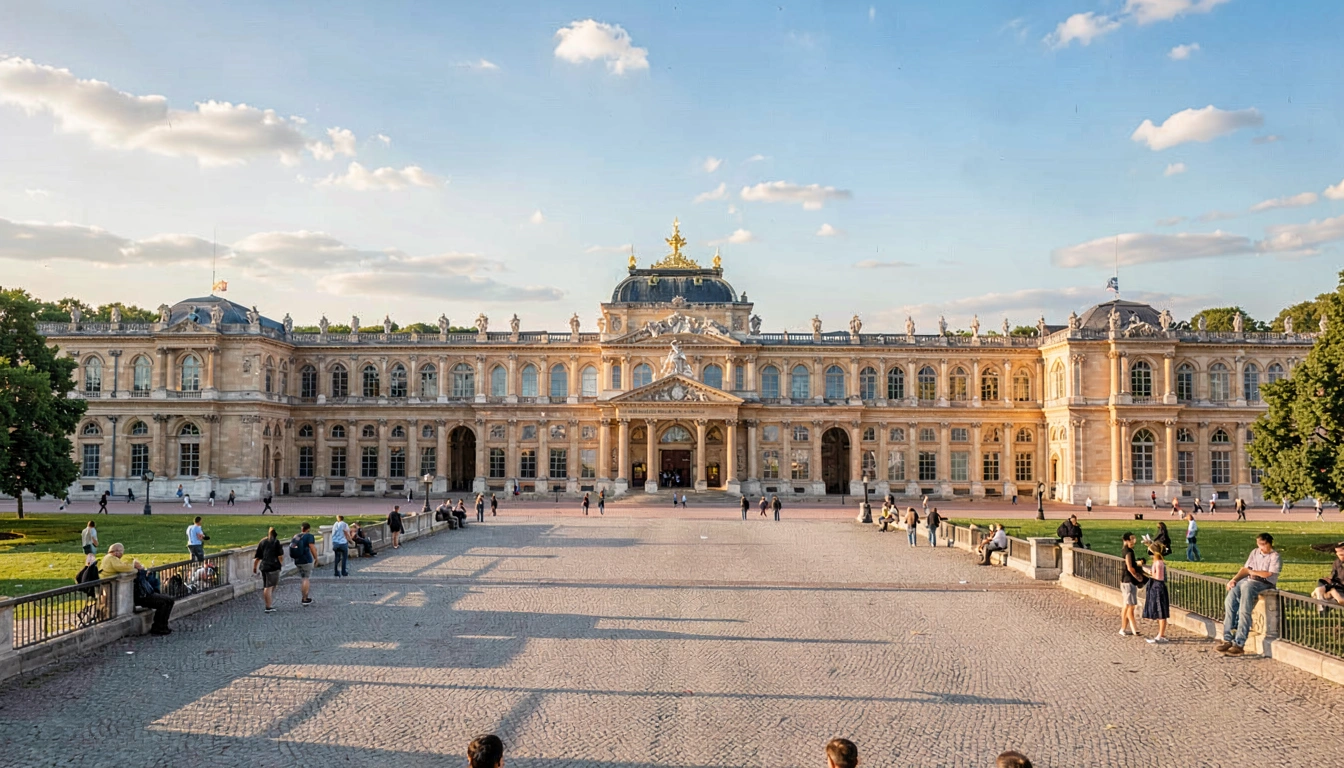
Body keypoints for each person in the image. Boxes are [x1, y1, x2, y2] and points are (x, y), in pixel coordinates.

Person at [1217, 533, 1282, 656]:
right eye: (1259, 544)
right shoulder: (1255, 552)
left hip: (1263, 583)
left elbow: (1268, 574)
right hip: (1248, 580)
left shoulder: (1275, 556)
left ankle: (1239, 643)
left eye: (1263, 545)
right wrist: (1234, 580)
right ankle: (1227, 638)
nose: (1261, 547)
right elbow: (1245, 569)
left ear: (1269, 544)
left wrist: (1252, 572)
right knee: (1229, 602)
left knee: (1244, 609)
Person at [100, 543, 173, 635]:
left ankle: (162, 626)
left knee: (168, 600)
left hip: (143, 593)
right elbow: (122, 567)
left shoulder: (110, 558)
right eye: (122, 552)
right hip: (141, 595)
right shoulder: (111, 558)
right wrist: (136, 570)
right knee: (166, 602)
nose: (122, 555)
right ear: (116, 551)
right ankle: (159, 627)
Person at [1119, 532, 1146, 636]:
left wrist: (1139, 563)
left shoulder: (1126, 551)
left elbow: (1130, 564)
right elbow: (1130, 567)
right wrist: (1138, 577)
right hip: (1129, 581)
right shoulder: (1128, 552)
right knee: (1130, 606)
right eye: (1131, 539)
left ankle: (1125, 628)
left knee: (1127, 605)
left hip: (1126, 580)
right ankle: (1130, 628)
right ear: (1126, 541)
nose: (1133, 541)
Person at [252, 527, 285, 614]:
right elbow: (280, 556)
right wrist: (280, 564)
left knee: (267, 585)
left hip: (264, 566)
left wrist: (255, 567)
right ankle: (268, 606)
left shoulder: (262, 542)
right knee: (269, 586)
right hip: (273, 567)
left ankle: (268, 601)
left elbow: (258, 556)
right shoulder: (276, 542)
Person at [1143, 543, 1170, 643]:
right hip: (1157, 586)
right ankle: (1160, 634)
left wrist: (1146, 572)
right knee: (1160, 611)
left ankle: (1161, 634)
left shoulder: (1158, 563)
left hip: (1158, 587)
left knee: (1161, 611)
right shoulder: (1158, 562)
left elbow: (1157, 576)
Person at [289, 522, 317, 606]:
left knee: (303, 577)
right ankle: (305, 598)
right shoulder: (309, 536)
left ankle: (304, 597)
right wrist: (316, 558)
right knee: (306, 578)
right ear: (308, 529)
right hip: (306, 560)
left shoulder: (296, 536)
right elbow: (312, 547)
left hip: (297, 560)